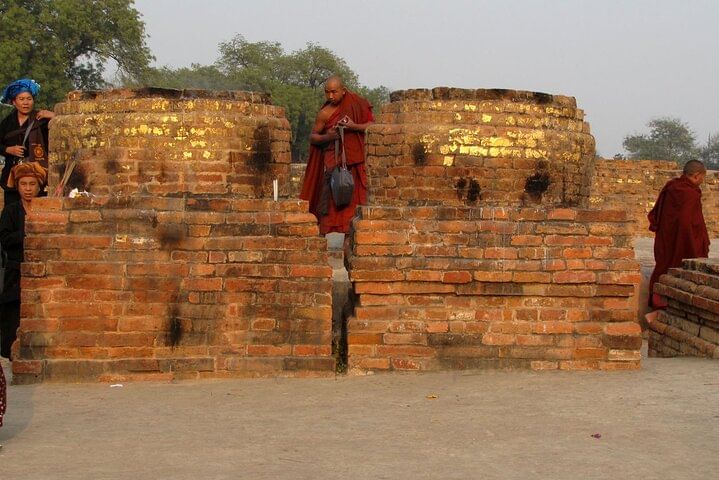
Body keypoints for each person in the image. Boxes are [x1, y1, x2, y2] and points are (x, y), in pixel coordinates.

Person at [300, 76, 374, 241]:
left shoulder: (357, 104)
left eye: (334, 92)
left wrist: (353, 126)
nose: (330, 96)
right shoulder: (325, 113)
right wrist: (328, 136)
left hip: (354, 163)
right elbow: (313, 137)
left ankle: (350, 240)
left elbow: (371, 125)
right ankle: (321, 238)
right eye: (327, 92)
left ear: (343, 91)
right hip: (333, 163)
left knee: (354, 200)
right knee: (329, 199)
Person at [645, 160, 710, 322]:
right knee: (683, 269)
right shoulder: (690, 193)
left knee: (664, 266)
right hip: (684, 239)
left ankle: (658, 305)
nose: (702, 181)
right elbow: (686, 222)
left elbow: (660, 214)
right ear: (697, 176)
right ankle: (670, 308)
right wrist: (692, 242)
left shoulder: (672, 187)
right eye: (702, 178)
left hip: (667, 236)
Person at [0, 162, 46, 359]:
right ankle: (10, 353)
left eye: (32, 184)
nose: (28, 189)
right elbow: (5, 239)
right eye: (23, 184)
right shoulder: (11, 211)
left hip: (41, 270)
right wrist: (29, 232)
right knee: (13, 313)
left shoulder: (46, 209)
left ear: (39, 186)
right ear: (18, 186)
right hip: (15, 270)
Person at [0, 79, 54, 205]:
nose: (26, 103)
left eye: (29, 99)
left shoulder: (41, 119)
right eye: (21, 99)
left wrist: (54, 115)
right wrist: (8, 150)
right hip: (12, 175)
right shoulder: (7, 123)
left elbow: (64, 127)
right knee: (13, 209)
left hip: (37, 175)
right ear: (14, 102)